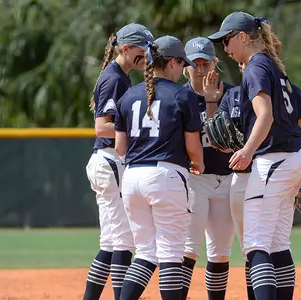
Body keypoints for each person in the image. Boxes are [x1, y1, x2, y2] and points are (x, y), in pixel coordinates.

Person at [209, 11, 301, 300]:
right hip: (294, 158)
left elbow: (264, 116)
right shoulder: (275, 68)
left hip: (273, 161)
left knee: (256, 245)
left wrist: (246, 150)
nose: (225, 48)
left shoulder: (255, 67)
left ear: (242, 37)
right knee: (278, 244)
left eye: (227, 40)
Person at [114, 35, 204, 300]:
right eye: (182, 63)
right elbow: (192, 147)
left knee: (144, 252)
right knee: (171, 253)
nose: (182, 69)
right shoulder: (182, 94)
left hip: (132, 178)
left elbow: (120, 148)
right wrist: (198, 164)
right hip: (165, 177)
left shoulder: (129, 95)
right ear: (174, 62)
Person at [83, 23, 154, 300]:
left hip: (108, 161)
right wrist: (136, 129)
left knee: (113, 241)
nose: (147, 55)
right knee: (123, 241)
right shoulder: (115, 79)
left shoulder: (119, 76)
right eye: (142, 49)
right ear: (125, 48)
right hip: (110, 160)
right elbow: (102, 127)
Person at [180, 37, 236, 300]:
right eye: (195, 63)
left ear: (216, 63)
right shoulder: (178, 97)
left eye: (206, 63)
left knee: (221, 251)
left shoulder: (234, 94)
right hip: (194, 180)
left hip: (228, 179)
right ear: (184, 67)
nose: (201, 69)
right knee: (188, 248)